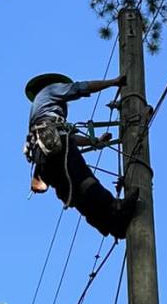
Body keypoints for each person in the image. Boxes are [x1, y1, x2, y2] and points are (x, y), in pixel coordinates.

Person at [23, 72, 138, 239]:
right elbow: (80, 88)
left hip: (44, 158)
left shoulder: (41, 113)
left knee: (77, 192)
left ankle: (111, 225)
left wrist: (95, 142)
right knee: (84, 179)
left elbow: (70, 137)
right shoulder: (51, 90)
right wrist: (113, 82)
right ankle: (115, 208)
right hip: (54, 146)